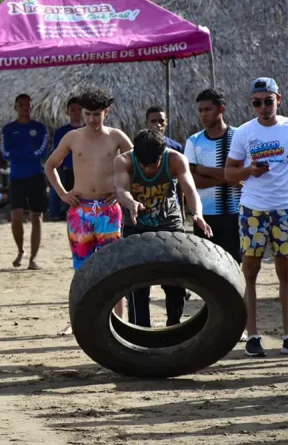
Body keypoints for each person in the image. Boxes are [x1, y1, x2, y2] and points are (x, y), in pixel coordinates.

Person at [45, 88, 132, 329]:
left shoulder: (116, 136)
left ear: (106, 112)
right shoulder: (72, 137)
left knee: (112, 266)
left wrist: (122, 189)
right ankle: (83, 322)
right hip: (80, 210)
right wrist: (62, 193)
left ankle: (119, 322)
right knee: (81, 268)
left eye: (96, 114)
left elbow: (137, 164)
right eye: (87, 114)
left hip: (109, 210)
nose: (92, 119)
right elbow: (50, 165)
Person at [115, 128, 212, 327]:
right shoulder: (124, 161)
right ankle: (141, 331)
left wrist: (197, 213)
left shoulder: (176, 160)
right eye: (143, 165)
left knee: (175, 283)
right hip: (136, 224)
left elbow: (190, 190)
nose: (148, 170)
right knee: (137, 284)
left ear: (162, 155)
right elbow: (121, 190)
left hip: (169, 224)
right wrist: (131, 202)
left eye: (153, 165)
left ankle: (173, 326)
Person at [224, 77, 288, 357]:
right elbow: (229, 173)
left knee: (285, 273)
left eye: (268, 101)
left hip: (284, 208)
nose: (263, 107)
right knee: (250, 272)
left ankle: (287, 336)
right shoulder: (244, 132)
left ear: (278, 99)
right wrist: (249, 171)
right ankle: (252, 336)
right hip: (253, 209)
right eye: (257, 103)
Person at [184, 89, 242, 263]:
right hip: (204, 216)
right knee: (205, 266)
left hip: (236, 214)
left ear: (221, 109)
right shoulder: (193, 141)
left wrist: (204, 170)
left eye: (208, 109)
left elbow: (245, 176)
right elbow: (192, 181)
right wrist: (230, 176)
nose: (203, 114)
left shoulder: (239, 137)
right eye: (200, 110)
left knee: (234, 265)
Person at [1, 94, 49, 270]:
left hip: (36, 177)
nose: (24, 107)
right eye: (21, 104)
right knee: (16, 216)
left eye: (27, 104)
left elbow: (42, 152)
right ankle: (21, 250)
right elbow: (5, 153)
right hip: (16, 178)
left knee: (37, 216)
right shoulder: (8, 129)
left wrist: (19, 153)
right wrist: (28, 152)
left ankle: (33, 258)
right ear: (16, 107)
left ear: (31, 107)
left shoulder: (40, 128)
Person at [49, 97, 84, 220]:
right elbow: (56, 153)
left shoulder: (90, 130)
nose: (76, 113)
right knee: (70, 208)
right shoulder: (61, 132)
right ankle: (55, 213)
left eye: (79, 109)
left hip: (86, 172)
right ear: (67, 112)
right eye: (73, 110)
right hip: (67, 170)